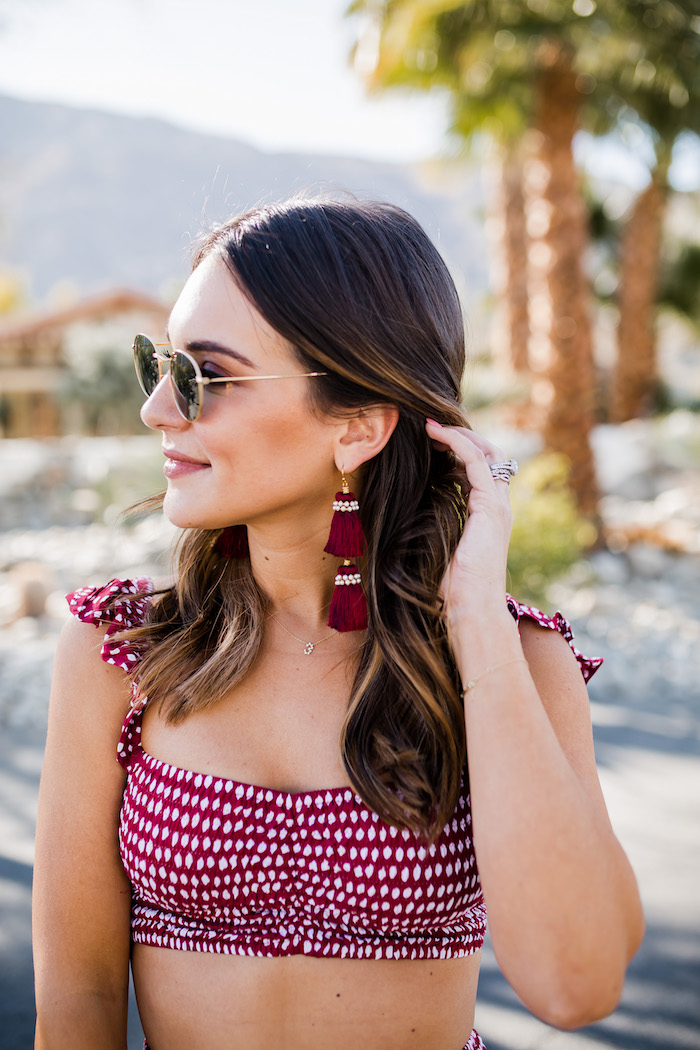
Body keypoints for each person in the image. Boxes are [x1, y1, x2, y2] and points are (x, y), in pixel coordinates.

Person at [33, 195, 644, 1050]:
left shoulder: (516, 662)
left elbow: (577, 986)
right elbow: (77, 1007)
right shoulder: (120, 653)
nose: (158, 409)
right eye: (160, 364)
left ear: (358, 423)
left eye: (205, 376)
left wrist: (475, 626)